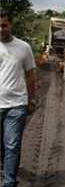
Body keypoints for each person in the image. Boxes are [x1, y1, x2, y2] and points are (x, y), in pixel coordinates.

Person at [0, 11, 36, 186]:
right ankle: (5, 167)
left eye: (4, 25)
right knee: (2, 146)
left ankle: (9, 182)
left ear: (10, 25)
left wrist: (32, 100)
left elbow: (30, 75)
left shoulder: (24, 47)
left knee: (12, 145)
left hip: (17, 104)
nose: (1, 29)